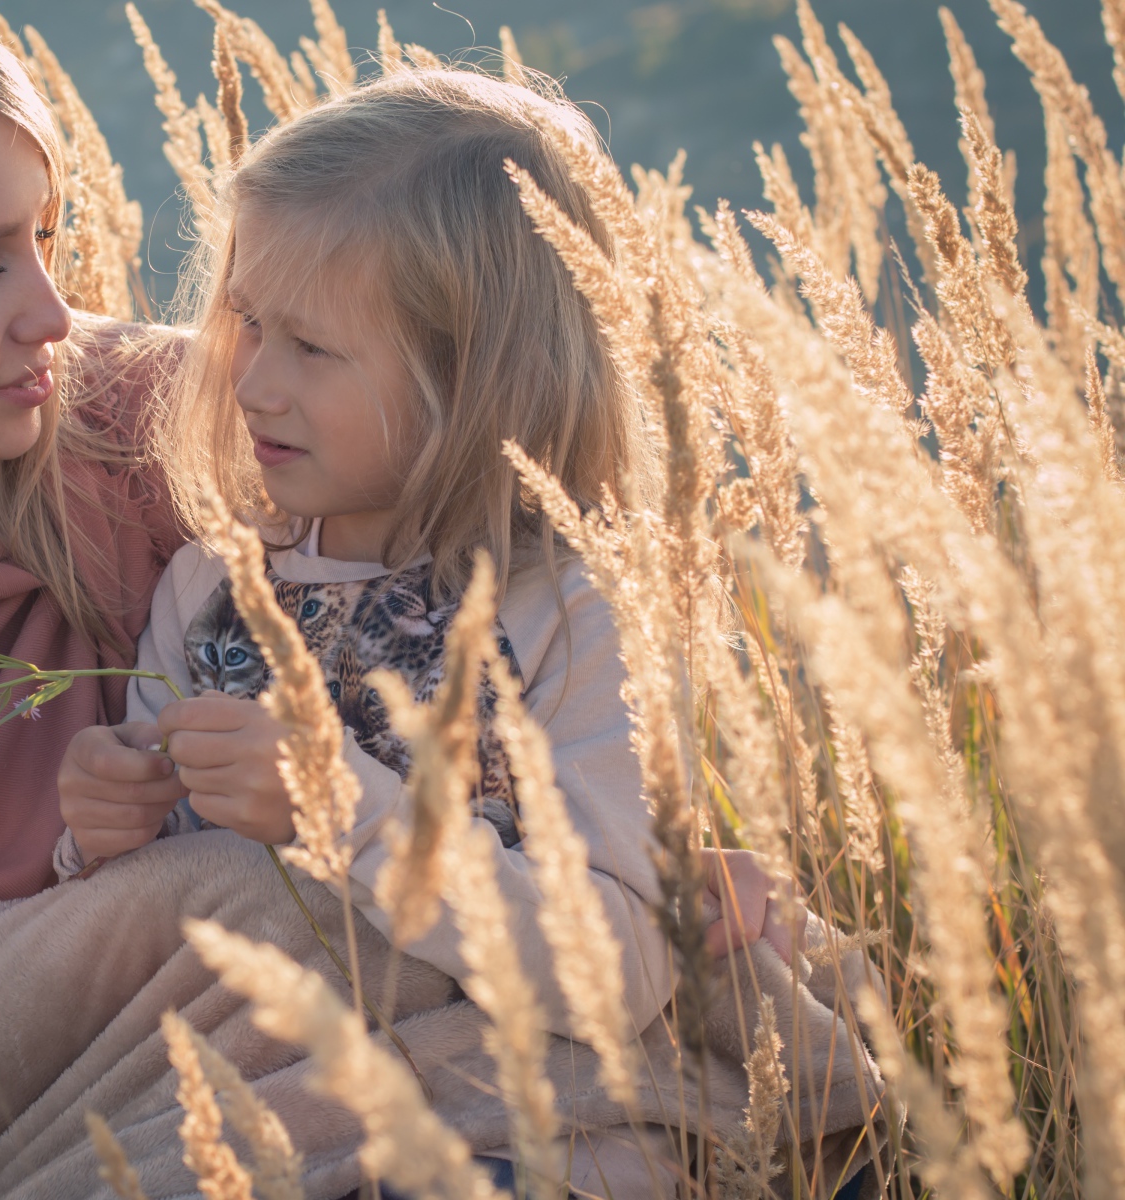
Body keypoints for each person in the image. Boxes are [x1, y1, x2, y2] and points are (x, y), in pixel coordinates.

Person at [54, 68, 880, 1198]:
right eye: (247, 321)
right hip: (273, 1110)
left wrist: (339, 806)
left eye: (313, 346)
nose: (252, 379)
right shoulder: (209, 589)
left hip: (519, 1119)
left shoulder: (572, 618)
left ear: (477, 377)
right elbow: (153, 928)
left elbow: (619, 970)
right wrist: (98, 833)